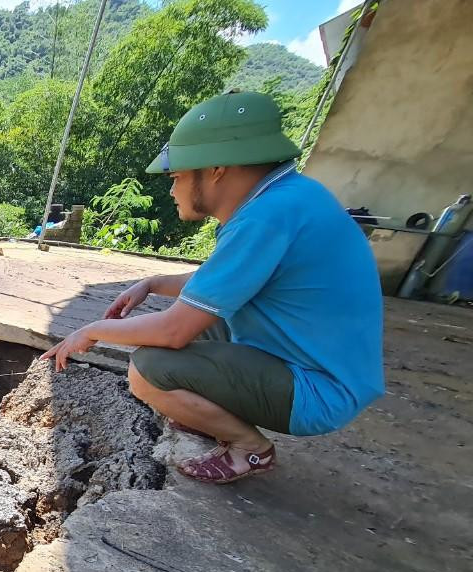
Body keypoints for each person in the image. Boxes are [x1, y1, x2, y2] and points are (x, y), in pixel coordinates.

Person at [43, 91, 384, 484]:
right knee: (197, 323)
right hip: (310, 358)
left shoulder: (265, 218)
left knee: (148, 370)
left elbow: (173, 331)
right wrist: (152, 283)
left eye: (177, 177)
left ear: (217, 168)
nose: (172, 190)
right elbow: (219, 283)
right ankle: (209, 415)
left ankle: (249, 448)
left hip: (318, 389)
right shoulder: (286, 199)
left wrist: (91, 331)